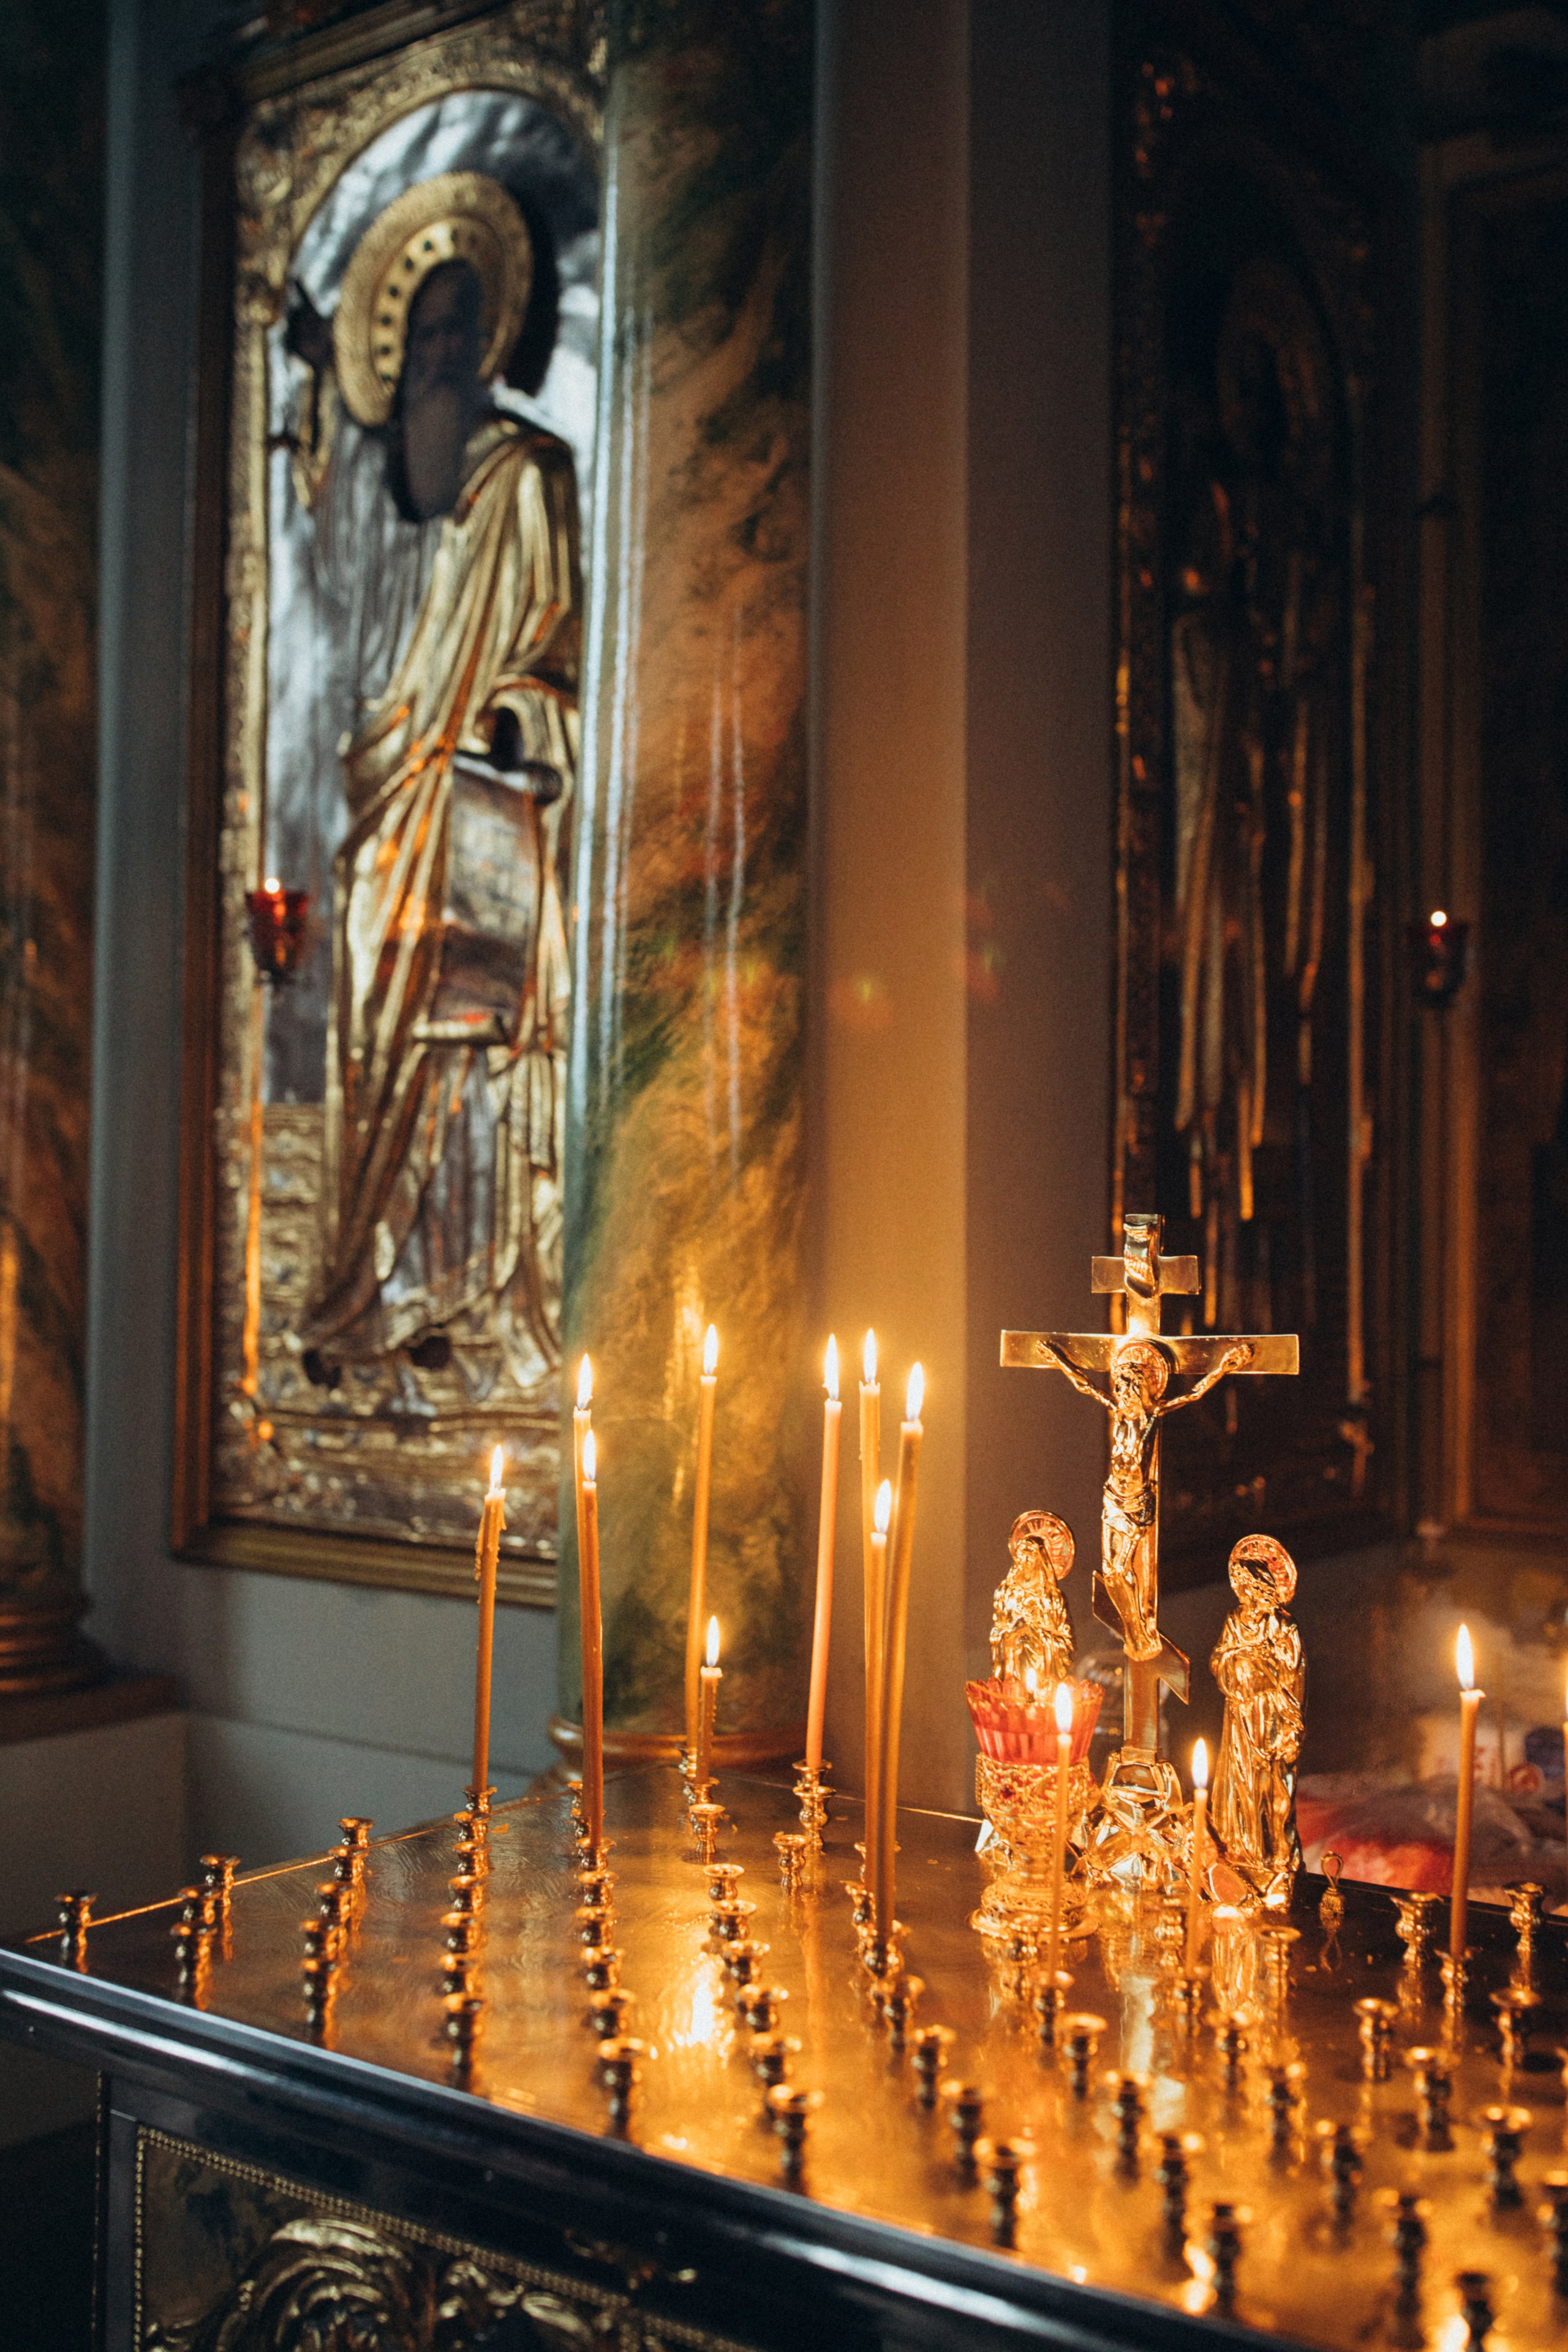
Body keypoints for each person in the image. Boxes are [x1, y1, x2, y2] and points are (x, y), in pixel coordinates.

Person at [291, 172, 580, 1397]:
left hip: (477, 798)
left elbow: (553, 635)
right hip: (384, 795)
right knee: (378, 1036)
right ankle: (369, 1286)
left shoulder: (526, 470)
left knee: (465, 1042)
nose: (442, 348)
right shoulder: (377, 475)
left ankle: (458, 1295)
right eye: (425, 329)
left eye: (465, 328)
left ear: (495, 340)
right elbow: (331, 565)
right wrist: (316, 382)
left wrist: (516, 716)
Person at [1034, 1336, 1251, 1662]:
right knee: (1112, 1575)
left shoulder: (1150, 1419)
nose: (1123, 1396)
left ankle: (1138, 1631)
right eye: (1121, 1389)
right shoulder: (1118, 1416)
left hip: (1136, 1505)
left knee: (1121, 1572)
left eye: (1130, 1390)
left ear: (1143, 1392)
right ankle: (1135, 1630)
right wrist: (1057, 1360)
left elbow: (1194, 1394)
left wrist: (1225, 1366)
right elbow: (1085, 1386)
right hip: (1113, 1500)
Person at [1210, 1532, 1305, 1906]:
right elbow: (1219, 1660)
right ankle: (1237, 1851)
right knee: (1237, 1785)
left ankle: (1272, 1857)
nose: (1249, 1593)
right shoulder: (1235, 1621)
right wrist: (1238, 1665)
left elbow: (1293, 1675)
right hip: (1239, 1715)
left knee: (1270, 1790)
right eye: (1244, 1586)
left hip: (1270, 1717)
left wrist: (1291, 1725)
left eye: (1255, 1585)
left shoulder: (1283, 1627)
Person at [989, 1509, 1076, 1689]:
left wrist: (1035, 1635)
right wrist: (1010, 1636)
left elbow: (1066, 1643)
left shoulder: (1053, 1599)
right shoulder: (1005, 1592)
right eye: (1022, 1554)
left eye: (1031, 1554)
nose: (1025, 1559)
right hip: (1014, 1670)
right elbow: (997, 1631)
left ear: (1041, 1559)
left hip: (1044, 1674)